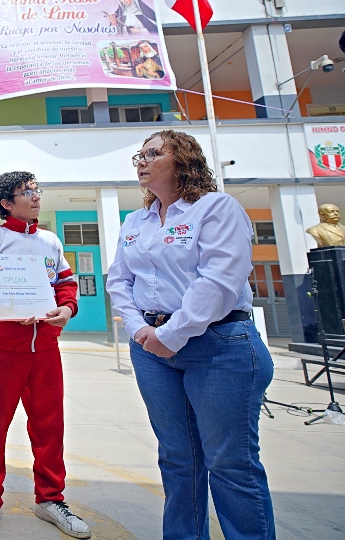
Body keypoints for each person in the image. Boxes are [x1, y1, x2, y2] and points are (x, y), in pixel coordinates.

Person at [105, 130, 275, 540]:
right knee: (179, 460)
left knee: (230, 462)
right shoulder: (135, 221)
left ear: (183, 160)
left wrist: (173, 333)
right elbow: (119, 281)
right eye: (139, 156)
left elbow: (217, 281)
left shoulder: (216, 208)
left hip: (219, 347)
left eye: (153, 153)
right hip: (152, 349)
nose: (142, 162)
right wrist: (141, 329)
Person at [0, 172, 91, 540]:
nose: (35, 197)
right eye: (26, 192)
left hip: (46, 349)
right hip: (4, 348)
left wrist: (67, 310)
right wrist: (6, 305)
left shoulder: (50, 240)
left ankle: (50, 498)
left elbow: (66, 284)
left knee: (50, 427)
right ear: (6, 202)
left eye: (37, 190)